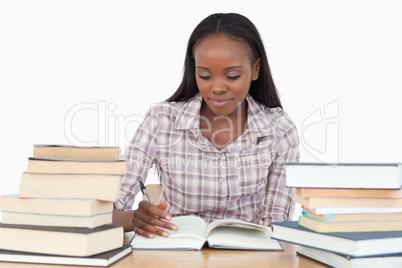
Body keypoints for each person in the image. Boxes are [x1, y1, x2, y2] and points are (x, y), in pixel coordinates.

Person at [112, 13, 299, 238]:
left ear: (255, 69)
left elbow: (276, 227)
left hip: (247, 258)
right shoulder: (162, 120)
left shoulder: (279, 129)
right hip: (174, 252)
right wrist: (133, 218)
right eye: (205, 76)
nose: (217, 88)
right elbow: (105, 210)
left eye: (232, 76)